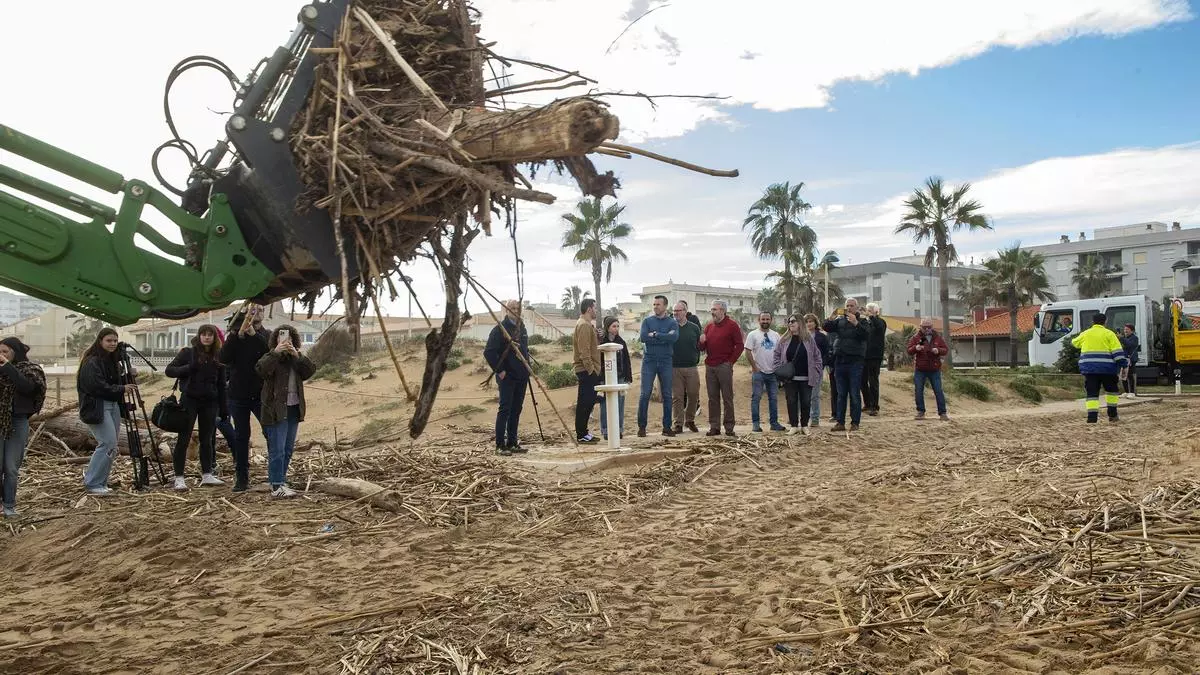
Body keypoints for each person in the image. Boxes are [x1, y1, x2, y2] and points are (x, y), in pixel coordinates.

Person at [164, 325, 229, 490]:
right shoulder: (188, 353)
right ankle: (179, 477)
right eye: (204, 334)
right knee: (184, 439)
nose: (207, 338)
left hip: (210, 402)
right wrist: (188, 368)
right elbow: (169, 370)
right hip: (189, 400)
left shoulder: (217, 356)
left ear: (214, 338)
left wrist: (224, 408)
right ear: (199, 336)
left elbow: (221, 384)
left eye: (210, 335)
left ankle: (207, 474)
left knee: (207, 439)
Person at [255, 325, 316, 497]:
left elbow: (310, 371)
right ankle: (276, 485)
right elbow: (261, 370)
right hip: (275, 410)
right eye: (282, 337)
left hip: (294, 408)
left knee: (288, 449)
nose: (285, 341)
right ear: (275, 340)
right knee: (277, 449)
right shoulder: (270, 357)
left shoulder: (296, 358)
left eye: (289, 338)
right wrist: (275, 352)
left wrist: (297, 355)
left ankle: (281, 480)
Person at [77, 328, 138, 496]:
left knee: (111, 444)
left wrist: (129, 376)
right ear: (100, 341)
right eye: (109, 341)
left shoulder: (112, 362)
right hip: (98, 406)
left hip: (112, 405)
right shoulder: (92, 362)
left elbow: (114, 382)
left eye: (115, 341)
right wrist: (122, 388)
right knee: (107, 443)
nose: (112, 344)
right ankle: (93, 482)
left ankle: (101, 481)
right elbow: (97, 386)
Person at [220, 305, 272, 492]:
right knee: (241, 437)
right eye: (251, 311)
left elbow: (268, 354)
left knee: (270, 433)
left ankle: (276, 475)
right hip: (238, 394)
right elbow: (223, 357)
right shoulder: (236, 336)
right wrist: (236, 336)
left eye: (258, 311)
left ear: (264, 315)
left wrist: (253, 334)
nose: (254, 314)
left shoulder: (267, 335)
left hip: (261, 394)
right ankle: (241, 477)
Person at [0, 338, 46, 516]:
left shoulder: (30, 370)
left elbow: (28, 388)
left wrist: (7, 367)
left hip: (18, 422)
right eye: (0, 352)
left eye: (5, 352)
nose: (2, 355)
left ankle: (10, 505)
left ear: (15, 352)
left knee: (11, 467)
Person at [483, 300, 531, 456]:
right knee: (505, 409)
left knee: (516, 409)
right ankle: (500, 445)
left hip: (521, 376)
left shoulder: (521, 327)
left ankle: (512, 442)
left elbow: (525, 350)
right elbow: (489, 352)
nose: (516, 311)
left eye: (518, 308)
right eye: (512, 308)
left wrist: (527, 369)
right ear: (506, 310)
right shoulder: (500, 329)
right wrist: (500, 371)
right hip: (508, 376)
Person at [1072, 313, 1128, 424]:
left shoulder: (1086, 333)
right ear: (1105, 321)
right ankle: (1112, 416)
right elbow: (1117, 352)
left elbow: (1075, 342)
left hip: (1090, 369)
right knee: (1111, 392)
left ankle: (1092, 418)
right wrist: (1123, 364)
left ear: (1093, 322)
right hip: (1108, 369)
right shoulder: (1109, 334)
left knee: (1092, 393)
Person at [824, 299, 870, 432]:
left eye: (852, 306)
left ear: (857, 308)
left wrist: (856, 323)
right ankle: (840, 422)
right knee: (841, 394)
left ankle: (855, 422)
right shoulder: (840, 321)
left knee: (854, 393)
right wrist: (831, 318)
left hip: (855, 361)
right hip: (840, 360)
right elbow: (826, 327)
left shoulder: (863, 321)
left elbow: (866, 335)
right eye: (847, 306)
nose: (849, 308)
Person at [637, 295, 679, 437]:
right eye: (654, 304)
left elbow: (674, 338)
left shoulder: (672, 322)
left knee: (667, 394)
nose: (655, 307)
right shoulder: (647, 321)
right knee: (645, 393)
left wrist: (655, 335)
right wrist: (663, 337)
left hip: (666, 360)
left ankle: (667, 427)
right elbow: (643, 337)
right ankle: (642, 427)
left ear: (665, 306)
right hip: (649, 360)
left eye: (658, 304)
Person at [700, 300, 743, 437]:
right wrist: (701, 342)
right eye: (711, 309)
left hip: (724, 366)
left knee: (727, 397)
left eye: (715, 309)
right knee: (713, 398)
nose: (712, 312)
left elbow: (739, 345)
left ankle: (729, 427)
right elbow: (702, 348)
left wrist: (730, 362)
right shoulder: (709, 327)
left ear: (723, 311)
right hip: (710, 366)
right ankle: (714, 427)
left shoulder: (732, 326)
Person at [773, 315, 822, 435]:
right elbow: (776, 355)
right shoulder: (784, 339)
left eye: (793, 321)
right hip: (789, 378)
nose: (790, 323)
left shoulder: (809, 339)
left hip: (806, 377)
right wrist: (778, 368)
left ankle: (804, 425)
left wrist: (816, 370)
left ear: (800, 323)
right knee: (791, 401)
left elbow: (817, 356)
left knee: (806, 402)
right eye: (789, 321)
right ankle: (794, 426)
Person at [745, 312, 784, 432]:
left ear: (771, 320)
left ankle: (774, 423)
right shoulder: (753, 335)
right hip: (759, 372)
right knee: (756, 398)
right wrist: (754, 367)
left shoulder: (776, 335)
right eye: (763, 319)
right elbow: (747, 351)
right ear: (759, 320)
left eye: (767, 319)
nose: (765, 321)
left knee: (773, 398)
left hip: (773, 373)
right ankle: (756, 424)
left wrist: (778, 368)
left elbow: (780, 351)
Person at [907, 318, 950, 421]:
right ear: (920, 327)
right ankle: (921, 412)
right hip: (920, 369)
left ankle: (942, 413)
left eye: (929, 327)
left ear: (932, 327)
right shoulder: (916, 338)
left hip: (935, 369)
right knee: (918, 390)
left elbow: (945, 350)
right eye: (924, 327)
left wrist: (938, 350)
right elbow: (909, 350)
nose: (926, 329)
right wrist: (915, 348)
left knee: (938, 390)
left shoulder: (937, 338)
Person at [572, 299, 601, 444]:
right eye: (595, 308)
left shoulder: (587, 324)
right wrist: (591, 370)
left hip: (588, 369)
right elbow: (584, 351)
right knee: (585, 403)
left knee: (588, 402)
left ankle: (584, 432)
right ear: (589, 309)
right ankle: (581, 434)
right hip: (586, 370)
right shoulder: (583, 325)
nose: (596, 310)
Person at [671, 302, 702, 434]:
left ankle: (689, 421)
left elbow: (699, 345)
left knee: (693, 395)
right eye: (674, 311)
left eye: (679, 310)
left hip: (692, 367)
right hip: (674, 367)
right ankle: (677, 423)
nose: (676, 313)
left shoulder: (694, 328)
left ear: (685, 311)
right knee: (677, 397)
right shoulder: (670, 327)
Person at [598, 316, 632, 440]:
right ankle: (606, 430)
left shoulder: (621, 342)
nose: (616, 329)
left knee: (620, 404)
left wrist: (628, 377)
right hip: (605, 377)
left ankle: (619, 429)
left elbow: (627, 360)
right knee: (604, 405)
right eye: (613, 326)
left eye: (617, 326)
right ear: (608, 327)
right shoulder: (602, 342)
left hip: (620, 377)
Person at [860, 303, 886, 417]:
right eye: (867, 310)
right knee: (862, 381)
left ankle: (875, 406)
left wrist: (871, 316)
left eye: (871, 310)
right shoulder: (866, 323)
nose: (868, 311)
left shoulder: (880, 322)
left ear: (876, 312)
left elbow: (879, 328)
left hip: (875, 356)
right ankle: (867, 403)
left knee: (873, 381)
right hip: (863, 356)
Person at [805, 314, 829, 428]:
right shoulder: (801, 336)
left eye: (811, 321)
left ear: (815, 323)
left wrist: (821, 365)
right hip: (803, 370)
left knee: (814, 395)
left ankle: (815, 418)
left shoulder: (822, 337)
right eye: (807, 321)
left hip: (816, 369)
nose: (809, 324)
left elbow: (826, 353)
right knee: (804, 396)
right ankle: (804, 418)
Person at [1119, 323, 1140, 399]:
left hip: (1131, 359)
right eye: (1124, 329)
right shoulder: (1124, 338)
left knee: (1130, 375)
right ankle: (1126, 392)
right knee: (1123, 376)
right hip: (1124, 359)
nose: (1125, 331)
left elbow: (1129, 345)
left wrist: (1121, 338)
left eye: (1127, 329)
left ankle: (1132, 392)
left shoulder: (1134, 338)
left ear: (1132, 330)